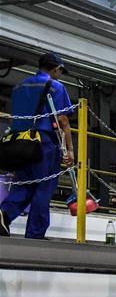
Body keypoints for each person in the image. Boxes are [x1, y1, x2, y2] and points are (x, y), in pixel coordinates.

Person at [0, 52, 74, 239]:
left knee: (23, 185)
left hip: (20, 143)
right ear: (56, 68)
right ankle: (35, 234)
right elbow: (63, 120)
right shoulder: (56, 87)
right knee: (43, 187)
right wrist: (70, 150)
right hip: (44, 144)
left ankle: (4, 214)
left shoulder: (19, 86)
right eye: (60, 71)